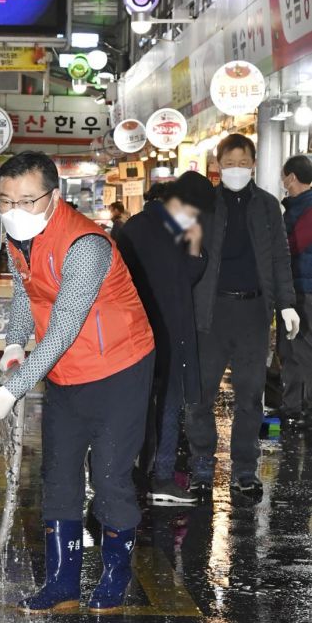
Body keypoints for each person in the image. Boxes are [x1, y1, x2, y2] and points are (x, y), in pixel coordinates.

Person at [0, 151, 155, 615]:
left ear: (55, 196)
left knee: (111, 475)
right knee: (58, 474)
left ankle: (115, 575)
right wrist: (14, 344)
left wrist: (10, 391)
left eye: (28, 200)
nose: (15, 210)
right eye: (5, 200)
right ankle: (62, 584)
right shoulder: (19, 237)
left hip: (119, 365)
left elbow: (62, 329)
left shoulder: (86, 246)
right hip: (66, 371)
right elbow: (23, 290)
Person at [184, 133, 299, 501]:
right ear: (217, 165)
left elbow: (281, 259)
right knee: (199, 396)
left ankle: (244, 470)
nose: (236, 169)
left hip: (252, 312)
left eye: (242, 162)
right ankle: (201, 466)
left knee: (251, 397)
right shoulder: (203, 205)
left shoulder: (268, 206)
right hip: (210, 313)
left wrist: (287, 304)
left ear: (253, 164)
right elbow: (184, 257)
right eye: (229, 163)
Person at [118, 172, 216, 504]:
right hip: (171, 332)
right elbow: (189, 276)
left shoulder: (134, 227)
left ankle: (125, 478)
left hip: (134, 330)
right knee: (169, 404)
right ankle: (160, 477)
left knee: (135, 406)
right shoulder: (181, 230)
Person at [278, 154, 312, 426]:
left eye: (284, 176)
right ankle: (291, 407)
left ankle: (305, 409)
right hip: (292, 287)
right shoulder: (295, 207)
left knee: (303, 350)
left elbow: (295, 244)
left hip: (305, 290)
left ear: (291, 177)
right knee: (289, 350)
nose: (282, 182)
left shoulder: (308, 207)